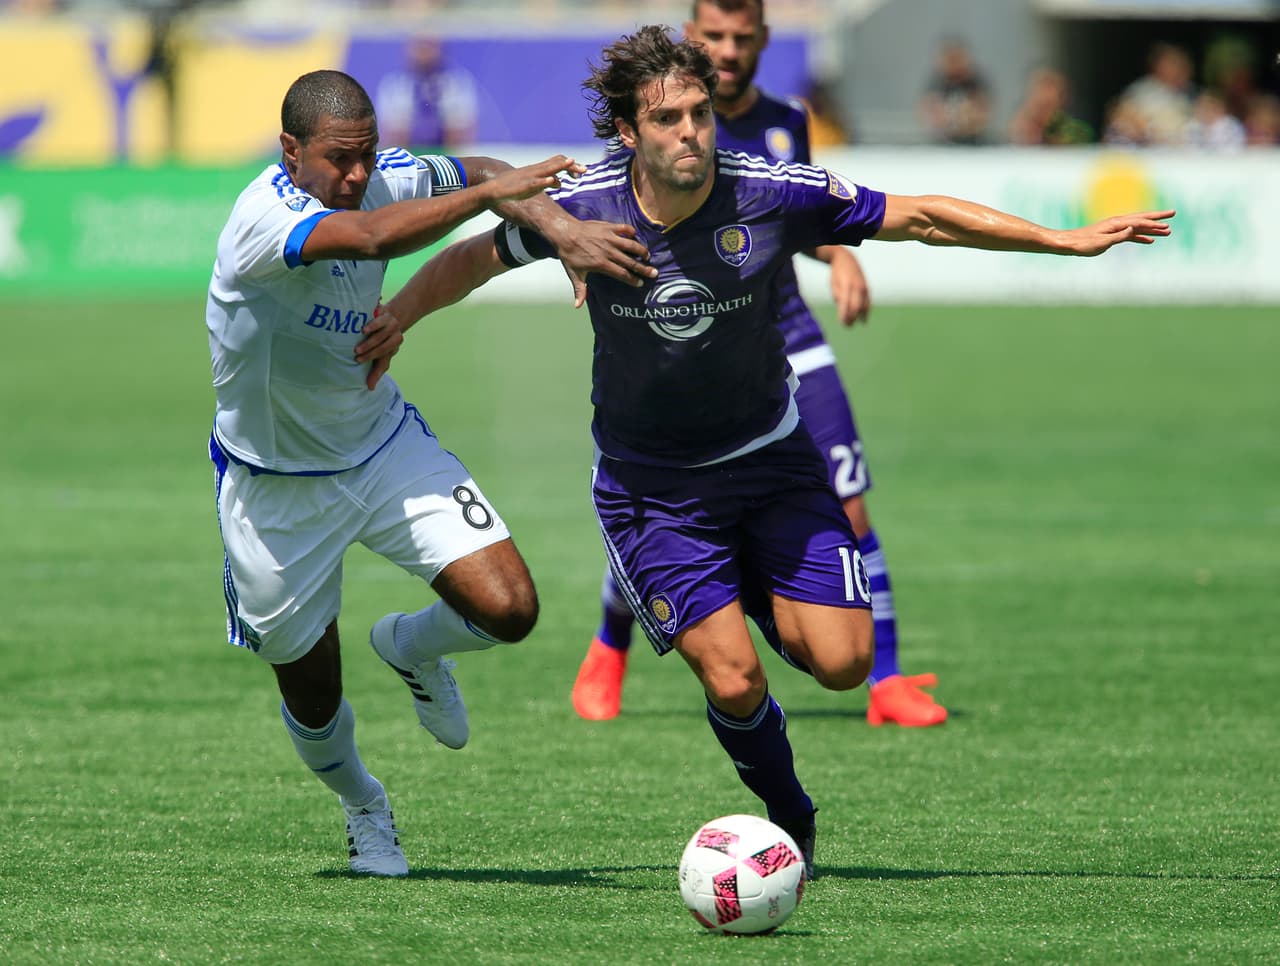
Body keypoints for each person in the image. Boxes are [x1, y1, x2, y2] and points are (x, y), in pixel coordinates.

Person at [364, 27, 1172, 878]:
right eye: (668, 118)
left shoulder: (769, 192)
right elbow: (473, 259)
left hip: (773, 463)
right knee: (737, 683)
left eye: (701, 114)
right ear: (631, 133)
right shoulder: (587, 208)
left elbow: (922, 217)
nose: (691, 133)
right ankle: (792, 815)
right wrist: (400, 319)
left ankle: (748, 582)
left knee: (844, 664)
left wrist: (1064, 240)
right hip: (653, 492)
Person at [206, 69, 656, 877]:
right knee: (312, 699)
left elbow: (480, 172)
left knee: (511, 608)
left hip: (381, 446)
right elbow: (377, 238)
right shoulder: (262, 219)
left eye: (367, 157)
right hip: (275, 487)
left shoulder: (382, 175)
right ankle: (364, 805)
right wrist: (499, 193)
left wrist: (560, 229)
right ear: (290, 151)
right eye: (339, 161)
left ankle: (410, 645)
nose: (356, 175)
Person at [571, 0, 945, 729]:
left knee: (849, 497)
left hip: (782, 332)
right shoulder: (657, 119)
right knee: (670, 497)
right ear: (691, 43)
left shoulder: (786, 120)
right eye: (716, 37)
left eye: (744, 38)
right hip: (683, 340)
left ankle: (886, 678)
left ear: (765, 41)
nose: (731, 49)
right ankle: (611, 642)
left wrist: (840, 257)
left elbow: (800, 218)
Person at [375, 36, 479, 153]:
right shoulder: (394, 84)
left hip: (445, 152)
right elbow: (392, 132)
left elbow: (461, 130)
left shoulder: (456, 84)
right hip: (408, 151)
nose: (424, 53)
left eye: (429, 47)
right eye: (419, 47)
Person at [918, 37, 992, 145]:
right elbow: (927, 112)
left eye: (957, 58)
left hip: (975, 144)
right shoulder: (936, 83)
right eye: (949, 59)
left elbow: (983, 112)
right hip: (940, 144)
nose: (953, 64)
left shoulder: (976, 82)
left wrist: (967, 118)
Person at [1007, 67, 1094, 146]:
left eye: (1050, 85)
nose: (1043, 93)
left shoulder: (1077, 132)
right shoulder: (1017, 127)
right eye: (1039, 84)